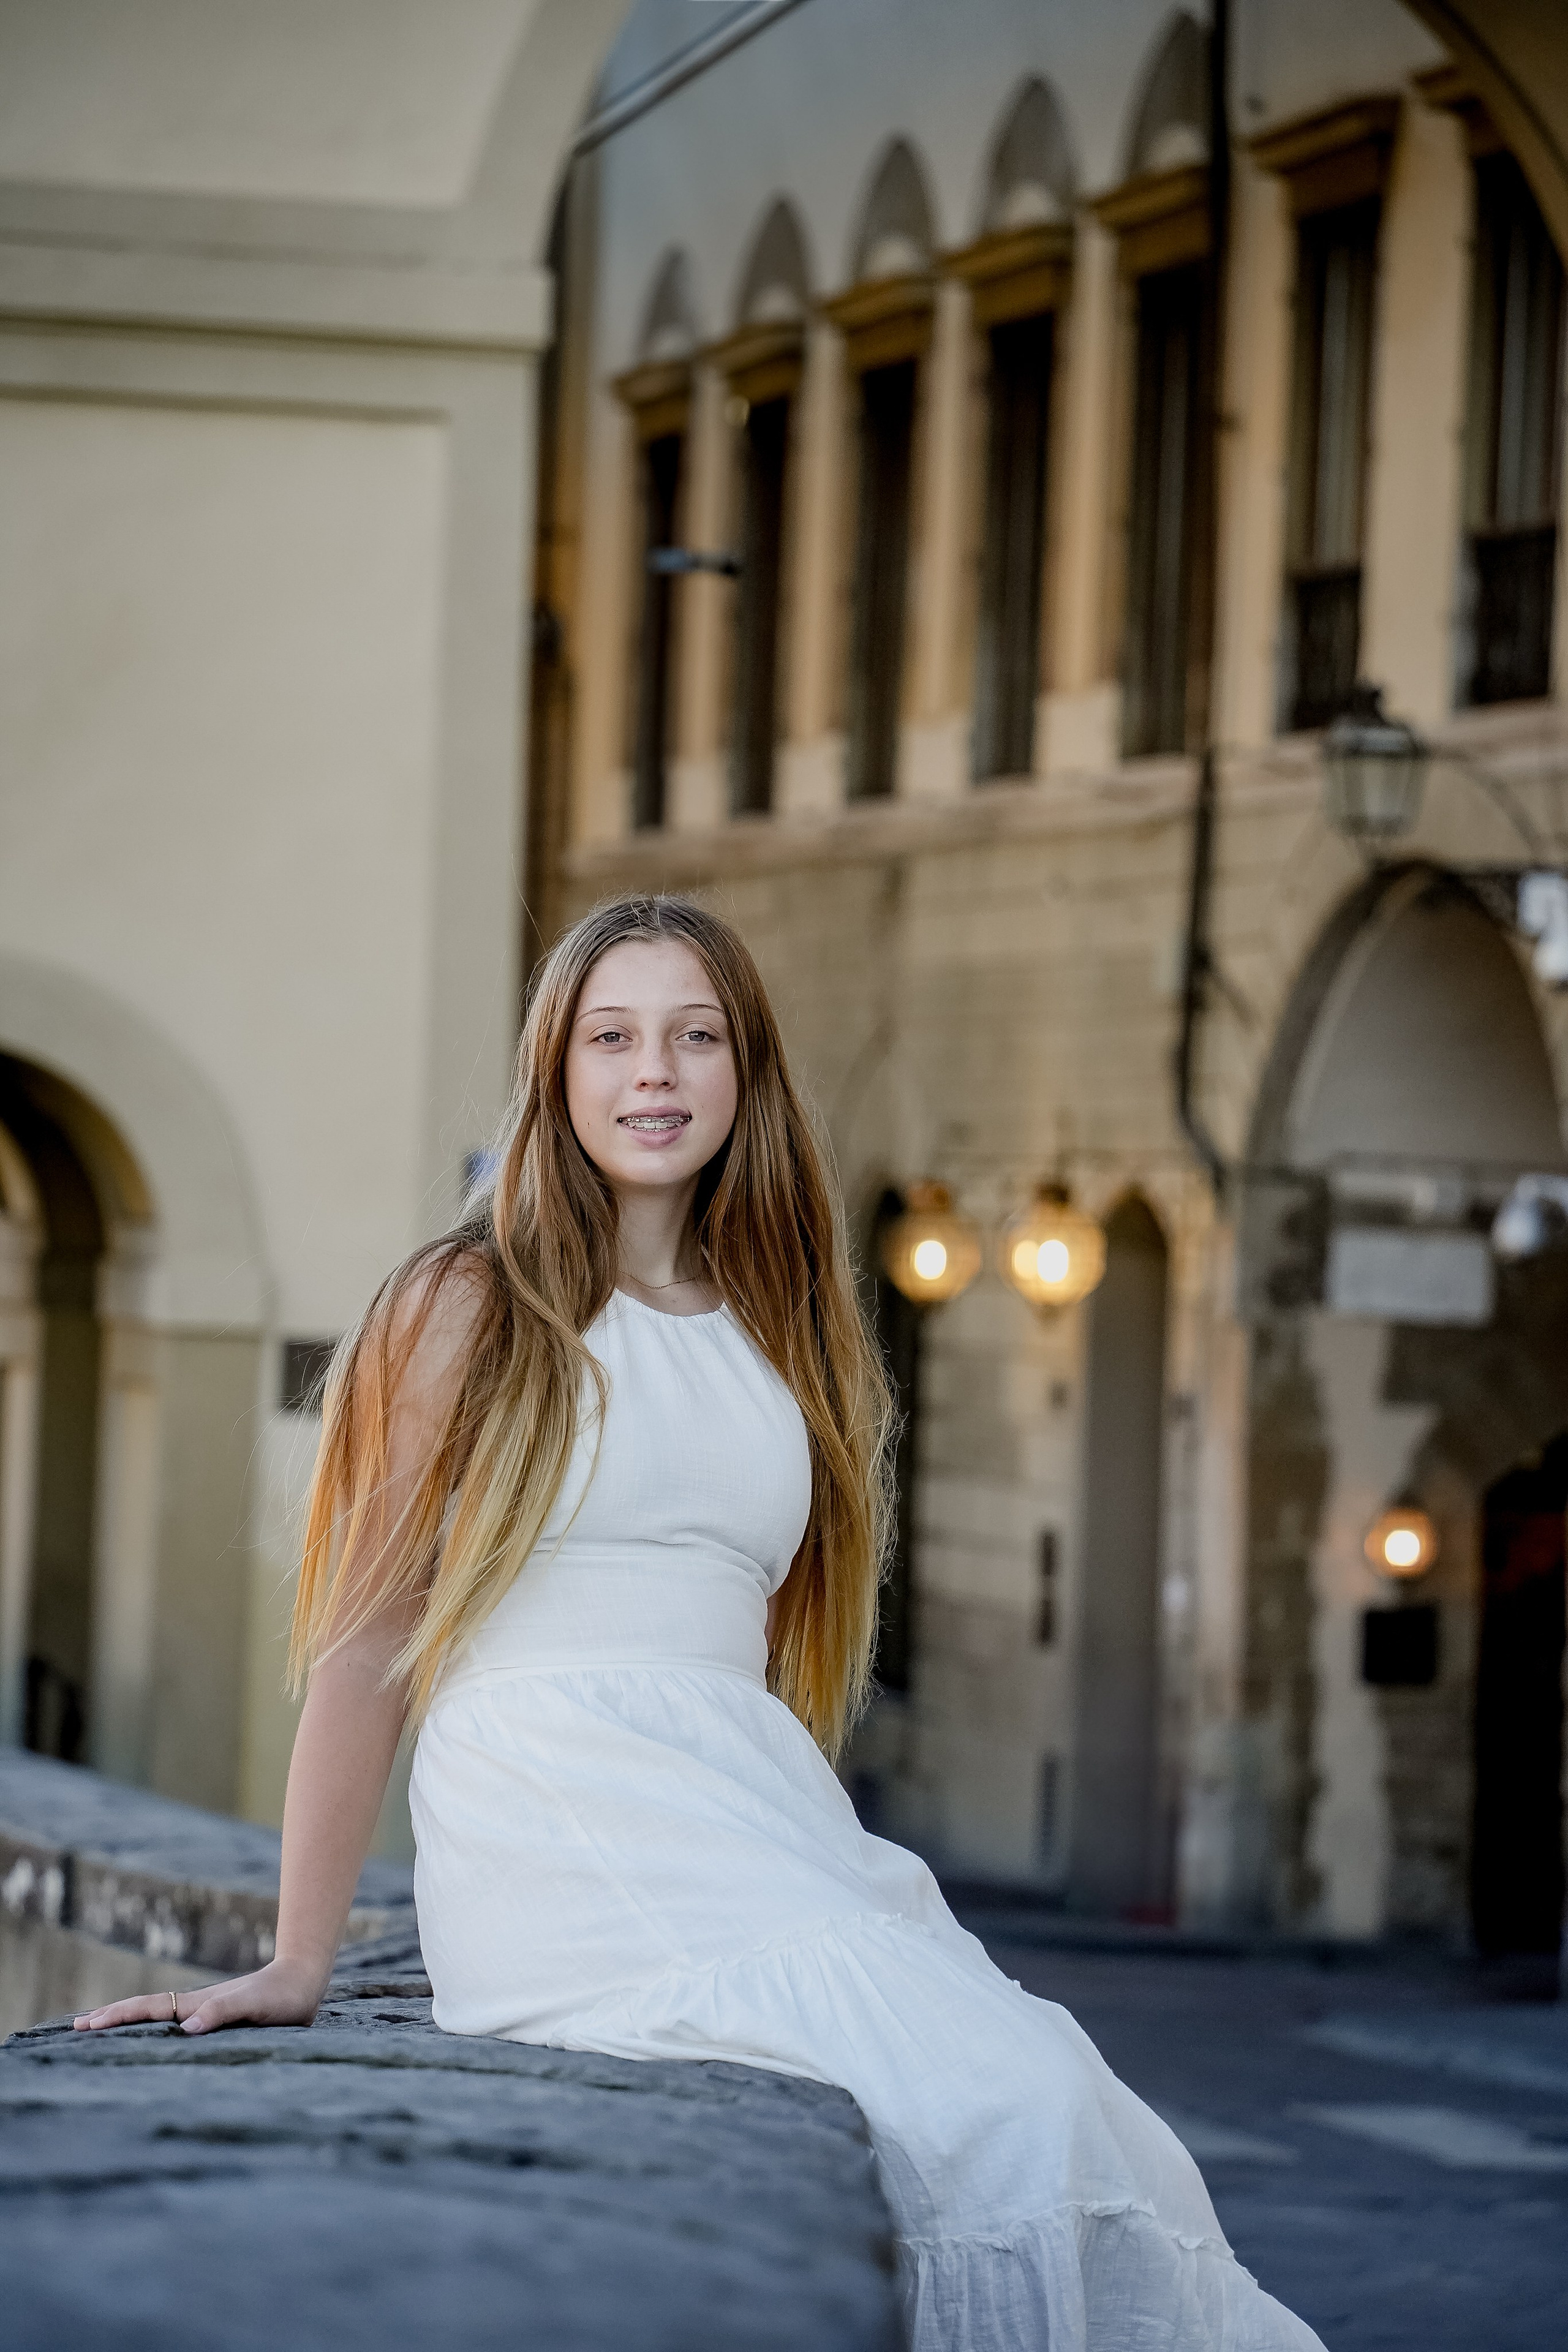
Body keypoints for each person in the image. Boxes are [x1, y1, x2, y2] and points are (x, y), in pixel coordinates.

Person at [78, 895, 1323, 2351]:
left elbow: (752, 1647)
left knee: (1060, 2107)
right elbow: (365, 1646)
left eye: (694, 1037)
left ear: (746, 1071)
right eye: (610, 1039)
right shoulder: (467, 1302)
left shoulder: (780, 1321)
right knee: (990, 2107)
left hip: (752, 1809)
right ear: (555, 1072)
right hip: (558, 1808)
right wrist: (300, 1959)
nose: (653, 1074)